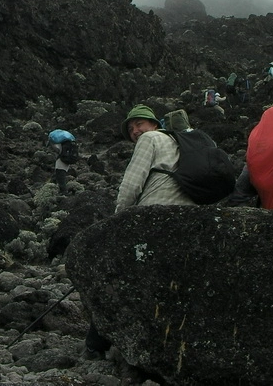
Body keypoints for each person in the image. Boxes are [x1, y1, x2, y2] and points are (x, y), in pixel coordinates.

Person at [84, 104, 197, 357]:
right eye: (132, 127)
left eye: (140, 124)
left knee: (120, 277)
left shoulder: (150, 139)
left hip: (154, 218)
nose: (136, 131)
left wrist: (118, 222)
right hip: (191, 218)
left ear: (155, 124)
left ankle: (96, 344)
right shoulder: (181, 143)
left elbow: (131, 185)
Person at [46, 129, 76, 193]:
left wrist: (51, 144)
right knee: (58, 175)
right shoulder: (69, 144)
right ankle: (56, 188)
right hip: (67, 160)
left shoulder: (59, 143)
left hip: (62, 160)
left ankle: (64, 192)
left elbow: (58, 151)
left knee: (60, 176)